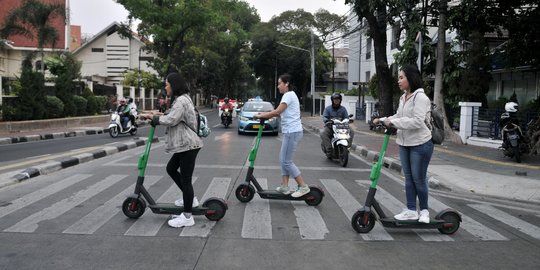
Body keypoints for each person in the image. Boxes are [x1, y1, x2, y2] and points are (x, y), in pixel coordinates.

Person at [139, 72, 203, 228]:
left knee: (186, 180)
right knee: (171, 168)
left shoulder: (181, 100)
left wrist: (155, 119)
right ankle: (191, 200)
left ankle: (188, 216)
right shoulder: (183, 99)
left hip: (188, 145)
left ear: (174, 85)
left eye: (167, 84)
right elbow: (173, 115)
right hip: (186, 145)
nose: (165, 87)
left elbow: (171, 119)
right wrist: (152, 115)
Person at [373, 64, 433, 223]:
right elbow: (398, 115)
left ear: (411, 78)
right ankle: (411, 210)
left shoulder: (420, 98)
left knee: (418, 179)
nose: (398, 81)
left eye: (401, 77)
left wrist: (393, 123)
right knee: (408, 178)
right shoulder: (403, 97)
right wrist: (384, 119)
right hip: (405, 143)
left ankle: (425, 211)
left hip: (420, 144)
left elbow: (417, 121)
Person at [253, 73, 310, 198]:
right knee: (283, 160)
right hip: (291, 132)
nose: (278, 86)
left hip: (292, 132)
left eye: (279, 83)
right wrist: (263, 113)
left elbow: (278, 111)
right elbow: (280, 113)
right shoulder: (290, 96)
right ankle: (284, 186)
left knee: (287, 161)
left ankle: (303, 186)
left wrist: (261, 116)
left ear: (286, 84)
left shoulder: (288, 95)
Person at [320, 93, 355, 157]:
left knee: (352, 131)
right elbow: (325, 117)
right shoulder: (328, 109)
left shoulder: (343, 109)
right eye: (335, 99)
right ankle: (329, 149)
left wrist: (348, 120)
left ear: (340, 100)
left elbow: (346, 117)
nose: (336, 100)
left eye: (338, 99)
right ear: (332, 100)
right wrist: (327, 121)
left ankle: (347, 147)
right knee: (323, 133)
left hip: (342, 127)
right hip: (330, 126)